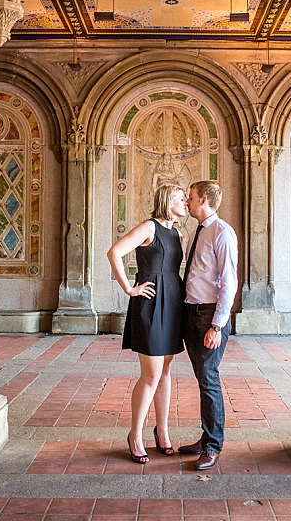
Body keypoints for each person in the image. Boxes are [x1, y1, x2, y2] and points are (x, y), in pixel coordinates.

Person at [107, 184, 189, 464]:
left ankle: (163, 431)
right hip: (151, 304)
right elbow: (114, 252)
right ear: (168, 201)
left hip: (173, 304)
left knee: (165, 371)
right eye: (181, 199)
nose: (185, 203)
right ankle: (135, 435)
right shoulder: (149, 227)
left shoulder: (178, 233)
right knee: (151, 375)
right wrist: (130, 289)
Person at [177, 180, 238, 472]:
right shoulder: (198, 232)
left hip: (208, 317)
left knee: (209, 378)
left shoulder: (221, 232)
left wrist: (217, 325)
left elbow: (229, 282)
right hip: (192, 313)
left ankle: (213, 446)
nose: (187, 203)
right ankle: (206, 438)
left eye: (190, 198)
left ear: (203, 199)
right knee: (204, 379)